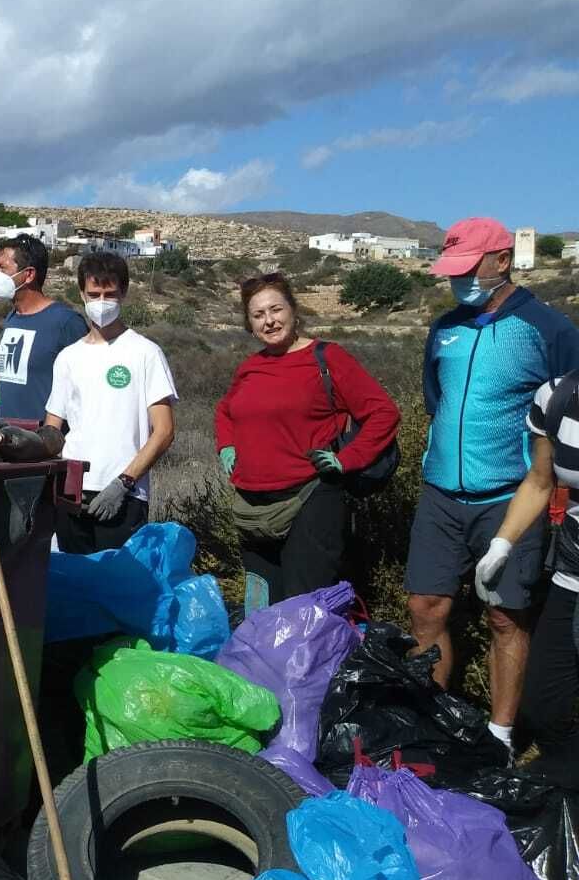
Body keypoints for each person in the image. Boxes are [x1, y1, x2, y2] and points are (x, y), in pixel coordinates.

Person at [406, 217, 579, 754]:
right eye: (452, 271)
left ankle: (500, 735)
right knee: (425, 608)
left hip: (510, 498)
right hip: (439, 494)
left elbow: (568, 409)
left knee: (506, 616)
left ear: (502, 260)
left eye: (468, 268)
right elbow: (437, 399)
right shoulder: (445, 328)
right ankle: (432, 721)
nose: (458, 281)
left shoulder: (550, 330)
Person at [215, 274, 399, 608]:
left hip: (310, 498)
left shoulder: (327, 358)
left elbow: (382, 413)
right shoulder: (250, 368)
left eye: (276, 309)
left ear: (294, 310)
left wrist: (349, 458)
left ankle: (313, 662)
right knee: (260, 603)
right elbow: (225, 411)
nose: (269, 321)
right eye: (258, 315)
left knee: (305, 605)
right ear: (249, 323)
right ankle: (265, 662)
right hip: (253, 506)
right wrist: (226, 444)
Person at [475, 368, 579, 785]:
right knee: (541, 704)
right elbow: (540, 481)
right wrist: (502, 543)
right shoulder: (557, 397)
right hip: (572, 574)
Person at [45, 251, 177, 554]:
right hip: (71, 492)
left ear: (124, 293)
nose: (101, 302)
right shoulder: (68, 357)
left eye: (109, 294)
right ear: (81, 293)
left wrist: (124, 483)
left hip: (124, 496)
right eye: (93, 294)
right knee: (76, 589)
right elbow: (53, 427)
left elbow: (164, 431)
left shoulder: (146, 353)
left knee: (116, 591)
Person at [0, 234, 86, 422]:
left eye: (2, 268)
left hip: (46, 444)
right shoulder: (12, 318)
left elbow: (86, 390)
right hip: (5, 440)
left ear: (29, 274)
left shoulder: (66, 323)